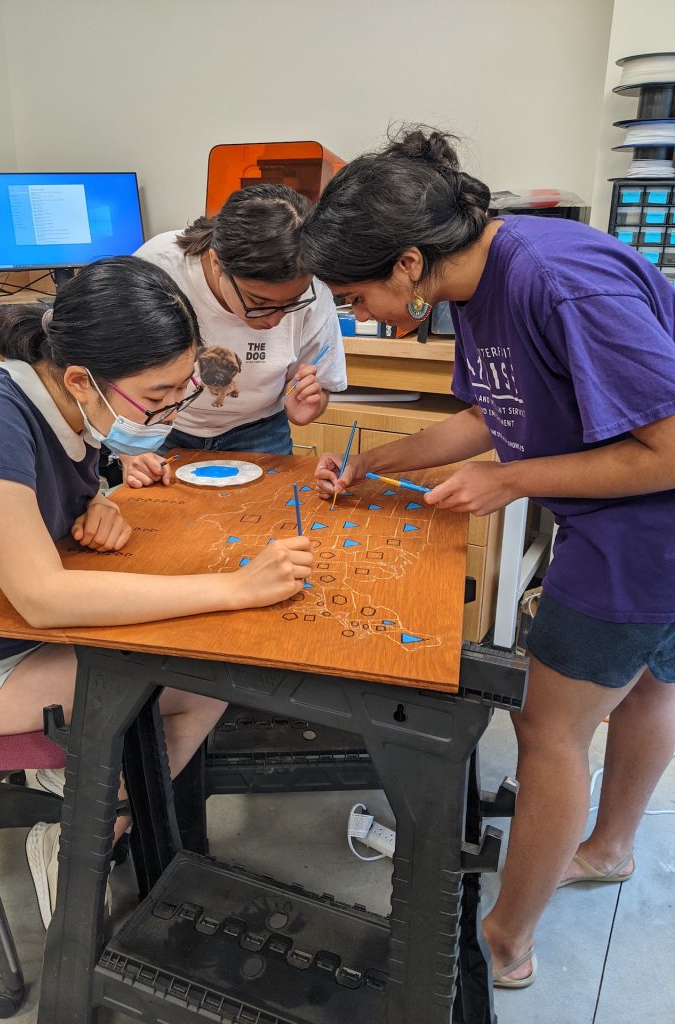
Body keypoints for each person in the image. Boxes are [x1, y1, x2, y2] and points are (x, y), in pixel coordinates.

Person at [301, 126, 675, 988]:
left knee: (549, 730)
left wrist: (510, 480)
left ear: (404, 262)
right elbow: (488, 412)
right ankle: (610, 847)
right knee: (650, 683)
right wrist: (371, 464)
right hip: (627, 523)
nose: (358, 317)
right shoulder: (474, 282)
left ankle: (506, 938)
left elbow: (666, 447)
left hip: (644, 534)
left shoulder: (557, 281)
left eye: (356, 296)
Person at [0, 256, 312, 927]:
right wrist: (234, 588)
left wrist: (96, 503)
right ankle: (82, 837)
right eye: (156, 397)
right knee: (200, 670)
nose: (169, 411)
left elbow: (50, 503)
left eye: (179, 391)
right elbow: (42, 596)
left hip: (21, 637)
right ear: (79, 379)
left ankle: (102, 804)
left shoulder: (74, 411)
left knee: (210, 678)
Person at [123, 183, 347, 488]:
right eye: (259, 303)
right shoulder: (157, 268)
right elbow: (108, 370)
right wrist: (128, 453)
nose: (276, 319)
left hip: (259, 430)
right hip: (160, 430)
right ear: (217, 263)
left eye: (290, 304)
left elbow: (321, 385)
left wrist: (311, 402)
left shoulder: (314, 286)